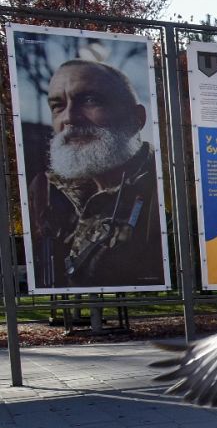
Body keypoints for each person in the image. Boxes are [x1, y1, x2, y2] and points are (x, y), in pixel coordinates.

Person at [26, 59, 165, 290]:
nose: (69, 118)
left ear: (137, 119)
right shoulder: (47, 189)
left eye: (90, 100)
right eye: (58, 106)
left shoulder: (162, 186)